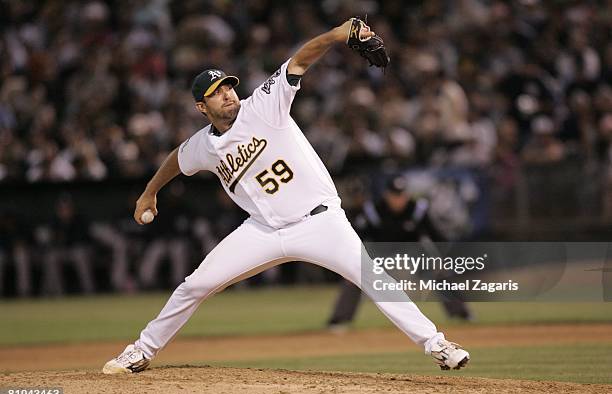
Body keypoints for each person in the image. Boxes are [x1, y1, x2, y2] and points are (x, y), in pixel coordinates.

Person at [102, 19, 469, 374]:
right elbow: (177, 160)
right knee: (194, 285)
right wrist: (149, 193)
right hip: (261, 230)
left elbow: (300, 60)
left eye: (228, 86)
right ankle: (142, 351)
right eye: (216, 93)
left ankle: (438, 345)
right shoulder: (203, 145)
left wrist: (339, 34)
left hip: (320, 221)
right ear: (202, 107)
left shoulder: (262, 105)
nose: (227, 93)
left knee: (374, 278)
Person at [327, 175, 473, 331]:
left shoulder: (418, 210)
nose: (398, 200)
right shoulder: (373, 211)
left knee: (439, 271)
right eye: (394, 195)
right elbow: (355, 238)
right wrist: (349, 264)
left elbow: (437, 237)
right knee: (354, 276)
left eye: (402, 195)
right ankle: (339, 320)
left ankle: (461, 314)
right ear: (386, 195)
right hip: (380, 256)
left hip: (412, 255)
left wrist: (442, 260)